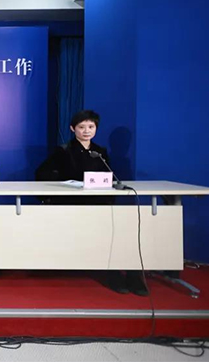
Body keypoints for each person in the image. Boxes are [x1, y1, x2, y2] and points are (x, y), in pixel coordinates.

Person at [35, 110, 148, 296]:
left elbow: (108, 177)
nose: (86, 131)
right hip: (73, 205)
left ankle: (133, 275)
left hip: (99, 203)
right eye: (82, 127)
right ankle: (113, 275)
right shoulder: (63, 150)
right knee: (108, 232)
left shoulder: (100, 151)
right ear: (73, 129)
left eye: (91, 127)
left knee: (123, 230)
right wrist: (66, 184)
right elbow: (42, 174)